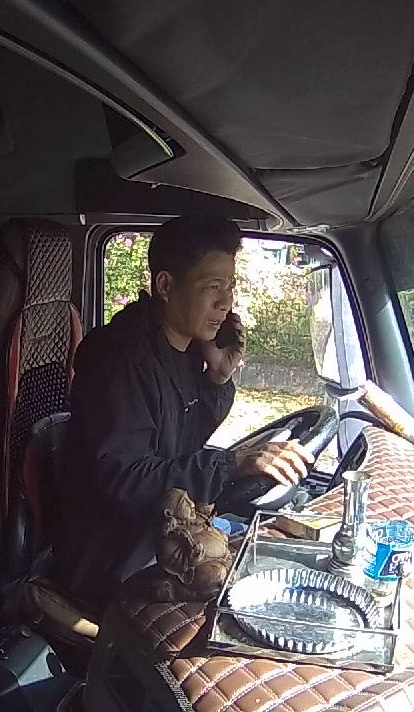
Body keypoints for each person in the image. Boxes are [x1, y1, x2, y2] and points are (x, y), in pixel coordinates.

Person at [53, 215, 315, 609]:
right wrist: (229, 466)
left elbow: (182, 442)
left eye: (230, 286)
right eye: (212, 286)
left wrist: (218, 379)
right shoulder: (123, 361)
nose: (226, 302)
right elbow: (127, 478)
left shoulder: (182, 350)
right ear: (165, 285)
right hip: (113, 556)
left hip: (159, 530)